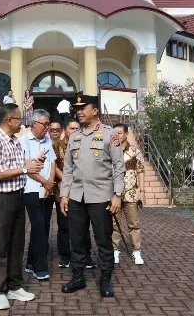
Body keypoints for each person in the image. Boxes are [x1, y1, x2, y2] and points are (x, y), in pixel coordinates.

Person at [60, 95, 125, 298]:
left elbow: (118, 166)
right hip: (77, 197)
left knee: (103, 240)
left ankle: (105, 278)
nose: (78, 111)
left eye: (83, 107)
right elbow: (69, 168)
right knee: (77, 239)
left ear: (95, 111)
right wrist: (64, 195)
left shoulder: (109, 134)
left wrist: (117, 195)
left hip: (101, 197)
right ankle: (78, 277)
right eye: (77, 108)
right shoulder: (74, 136)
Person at [0, 103, 44, 310]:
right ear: (9, 120)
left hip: (18, 197)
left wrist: (33, 163)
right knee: (0, 245)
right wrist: (25, 169)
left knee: (17, 244)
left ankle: (14, 285)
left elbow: (20, 167)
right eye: (19, 119)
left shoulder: (14, 141)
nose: (22, 123)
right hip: (1, 199)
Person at [52, 119, 95, 269]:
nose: (75, 130)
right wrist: (67, 179)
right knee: (64, 226)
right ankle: (65, 256)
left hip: (83, 191)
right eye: (72, 128)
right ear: (65, 129)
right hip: (63, 191)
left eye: (78, 128)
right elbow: (54, 166)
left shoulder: (85, 144)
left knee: (83, 226)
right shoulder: (57, 145)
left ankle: (86, 256)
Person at [20, 109, 56, 281]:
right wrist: (44, 181)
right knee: (40, 227)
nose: (47, 128)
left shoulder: (47, 140)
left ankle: (30, 262)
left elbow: (53, 162)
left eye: (48, 124)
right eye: (45, 124)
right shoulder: (24, 141)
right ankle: (39, 267)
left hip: (47, 190)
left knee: (42, 227)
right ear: (34, 124)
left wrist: (50, 183)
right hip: (32, 190)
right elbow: (27, 169)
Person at [111, 124, 145, 265]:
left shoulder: (135, 151)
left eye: (120, 133)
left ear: (126, 134)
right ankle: (114, 250)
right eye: (115, 133)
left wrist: (142, 192)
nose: (117, 135)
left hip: (131, 192)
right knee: (114, 223)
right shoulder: (110, 151)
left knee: (134, 223)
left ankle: (136, 251)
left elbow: (141, 171)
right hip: (114, 193)